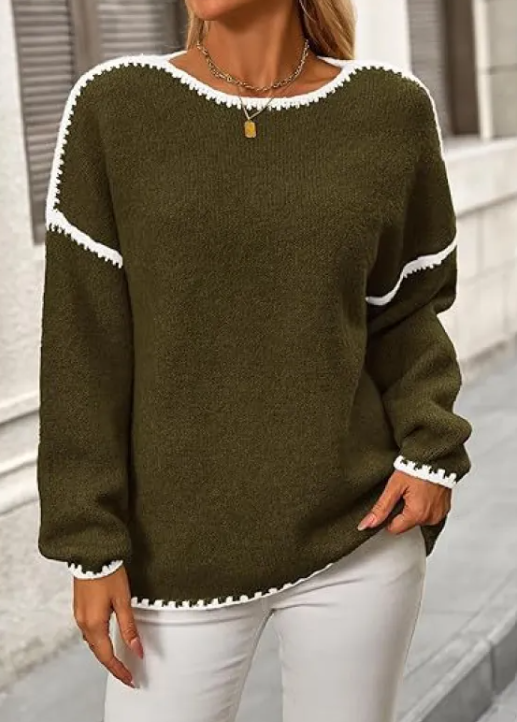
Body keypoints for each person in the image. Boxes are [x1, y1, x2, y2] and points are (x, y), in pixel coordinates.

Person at [36, 0, 473, 720]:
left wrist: (430, 450)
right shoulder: (115, 106)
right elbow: (84, 347)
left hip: (359, 535)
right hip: (173, 556)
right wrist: (89, 541)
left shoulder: (389, 110)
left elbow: (405, 308)